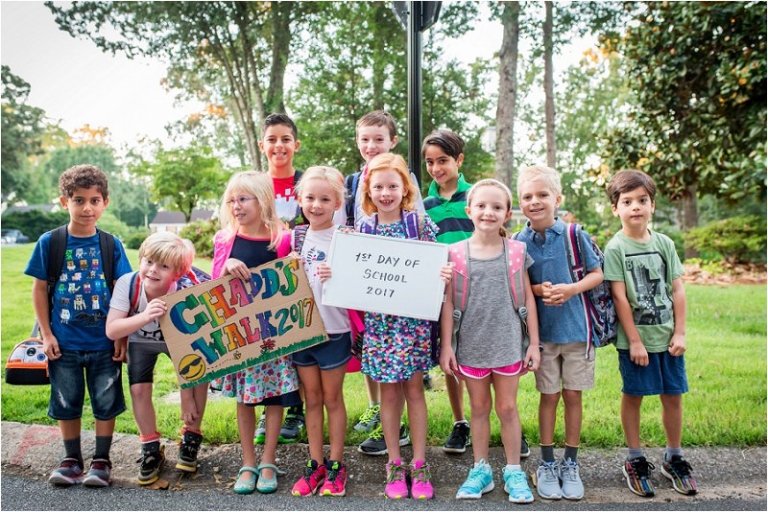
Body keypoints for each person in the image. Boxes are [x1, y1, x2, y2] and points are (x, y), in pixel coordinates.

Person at [338, 152, 449, 499]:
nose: (386, 192)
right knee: (388, 393)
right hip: (380, 327)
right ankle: (394, 464)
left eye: (393, 186)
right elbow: (350, 277)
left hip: (412, 324)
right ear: (368, 190)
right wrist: (333, 272)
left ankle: (419, 463)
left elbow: (434, 267)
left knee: (415, 391)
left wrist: (441, 273)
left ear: (405, 190)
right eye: (378, 186)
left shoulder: (419, 225)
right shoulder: (361, 231)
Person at [24, 164, 132, 487]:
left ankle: (102, 460)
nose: (87, 208)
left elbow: (123, 289)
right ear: (64, 202)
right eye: (79, 200)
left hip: (103, 341)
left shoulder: (111, 245)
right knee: (66, 400)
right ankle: (71, 460)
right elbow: (40, 289)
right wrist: (46, 334)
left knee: (105, 399)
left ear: (105, 203)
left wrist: (121, 335)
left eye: (95, 200)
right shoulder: (50, 242)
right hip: (64, 341)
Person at [439, 179, 541, 504]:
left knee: (508, 408)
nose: (488, 212)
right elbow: (448, 304)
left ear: (507, 213)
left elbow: (528, 299)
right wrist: (447, 346)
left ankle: (513, 470)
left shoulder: (516, 252)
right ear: (469, 210)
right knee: (479, 408)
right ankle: (480, 469)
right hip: (470, 345)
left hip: (508, 344)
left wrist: (534, 344)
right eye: (481, 206)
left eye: (497, 207)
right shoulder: (454, 253)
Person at [603, 169, 698, 498]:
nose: (635, 207)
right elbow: (619, 297)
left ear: (653, 205)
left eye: (642, 200)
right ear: (616, 208)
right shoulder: (615, 248)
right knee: (635, 395)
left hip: (668, 338)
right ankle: (635, 458)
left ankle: (674, 457)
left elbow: (678, 289)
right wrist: (635, 341)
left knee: (673, 395)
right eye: (627, 201)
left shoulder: (664, 244)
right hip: (636, 342)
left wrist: (681, 333)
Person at [515, 165, 604, 501]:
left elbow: (598, 274)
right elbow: (519, 287)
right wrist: (537, 290)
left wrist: (571, 289)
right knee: (548, 396)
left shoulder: (573, 234)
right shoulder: (519, 242)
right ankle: (548, 463)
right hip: (544, 336)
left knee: (573, 396)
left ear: (557, 199)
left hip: (578, 332)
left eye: (542, 195)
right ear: (519, 202)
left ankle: (571, 462)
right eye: (527, 196)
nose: (535, 201)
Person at [212, 171, 301, 495]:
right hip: (241, 335)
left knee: (275, 398)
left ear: (263, 200)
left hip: (274, 334)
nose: (236, 206)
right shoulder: (225, 240)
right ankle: (248, 462)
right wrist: (224, 269)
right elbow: (212, 292)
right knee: (246, 400)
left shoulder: (283, 239)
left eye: (243, 199)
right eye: (232, 200)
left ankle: (268, 460)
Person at [343, 111, 420, 456]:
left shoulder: (406, 187)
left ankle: (407, 441)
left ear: (392, 141)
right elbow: (346, 226)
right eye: (365, 139)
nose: (371, 145)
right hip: (369, 287)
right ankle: (378, 411)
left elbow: (422, 241)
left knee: (408, 379)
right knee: (372, 360)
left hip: (405, 299)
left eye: (378, 138)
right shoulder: (353, 181)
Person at [105, 232, 207, 485]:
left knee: (199, 377)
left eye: (163, 266)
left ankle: (191, 437)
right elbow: (112, 329)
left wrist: (186, 394)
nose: (152, 270)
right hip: (142, 338)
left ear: (178, 272)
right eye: (149, 261)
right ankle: (150, 446)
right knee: (139, 389)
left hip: (184, 341)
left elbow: (195, 344)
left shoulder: (188, 288)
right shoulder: (128, 284)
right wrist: (145, 316)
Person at [289, 166, 351, 497]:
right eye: (310, 197)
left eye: (325, 199)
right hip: (301, 331)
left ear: (337, 202)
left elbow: (361, 284)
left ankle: (337, 465)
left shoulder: (348, 238)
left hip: (335, 330)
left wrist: (339, 273)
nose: (316, 205)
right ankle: (315, 464)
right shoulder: (294, 238)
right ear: (300, 199)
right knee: (310, 398)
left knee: (331, 398)